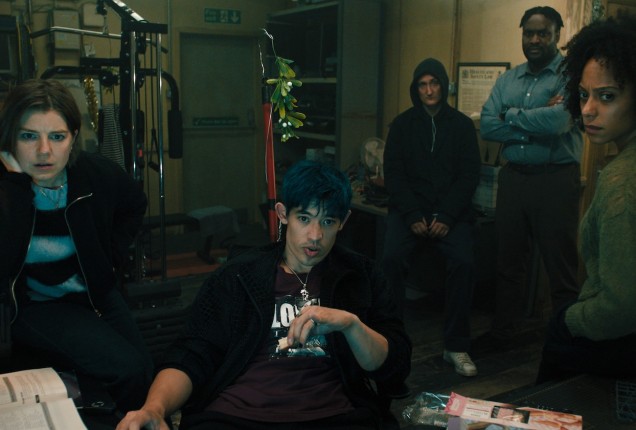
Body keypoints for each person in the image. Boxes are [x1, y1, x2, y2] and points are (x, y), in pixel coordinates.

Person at [116, 160, 412, 430]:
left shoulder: (361, 277)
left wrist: (350, 325)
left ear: (343, 221)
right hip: (236, 417)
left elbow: (394, 366)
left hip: (332, 417)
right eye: (304, 218)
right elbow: (192, 354)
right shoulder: (238, 276)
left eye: (327, 221)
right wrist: (154, 408)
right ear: (283, 214)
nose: (315, 236)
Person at [0, 79, 153, 411]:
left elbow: (134, 204)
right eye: (29, 136)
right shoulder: (5, 189)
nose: (44, 151)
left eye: (57, 137)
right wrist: (15, 186)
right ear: (10, 138)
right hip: (35, 305)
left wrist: (109, 258)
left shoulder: (95, 174)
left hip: (96, 292)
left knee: (145, 375)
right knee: (127, 370)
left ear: (73, 138)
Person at [536, 14, 636, 382]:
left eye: (607, 96)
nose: (588, 109)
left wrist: (570, 321)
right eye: (583, 94)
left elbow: (621, 306)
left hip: (614, 342)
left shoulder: (622, 182)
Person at [480, 6, 584, 342]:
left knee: (560, 266)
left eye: (543, 33)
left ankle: (565, 340)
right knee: (508, 262)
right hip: (514, 179)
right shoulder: (508, 79)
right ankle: (503, 332)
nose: (535, 40)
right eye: (529, 33)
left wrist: (509, 114)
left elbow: (560, 122)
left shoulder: (571, 76)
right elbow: (487, 125)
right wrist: (535, 120)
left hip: (556, 180)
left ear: (557, 35)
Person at [381, 58, 482, 377]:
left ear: (443, 86)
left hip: (450, 214)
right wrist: (411, 214)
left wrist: (448, 216)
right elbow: (394, 174)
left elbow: (469, 175)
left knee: (464, 262)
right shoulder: (402, 125)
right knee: (391, 258)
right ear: (416, 89)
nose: (429, 90)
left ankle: (456, 345)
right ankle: (390, 340)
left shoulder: (462, 126)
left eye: (434, 83)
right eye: (423, 84)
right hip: (410, 212)